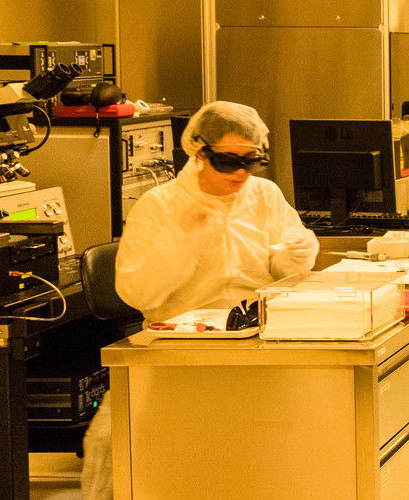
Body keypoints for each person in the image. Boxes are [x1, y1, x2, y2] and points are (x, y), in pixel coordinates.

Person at [80, 101, 318, 499]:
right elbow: (137, 292)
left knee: (265, 454)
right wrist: (181, 242)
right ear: (199, 152)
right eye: (227, 162)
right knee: (114, 444)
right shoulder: (160, 206)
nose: (240, 173)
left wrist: (296, 254)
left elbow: (283, 271)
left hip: (255, 349)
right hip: (174, 354)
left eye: (251, 162)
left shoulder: (264, 196)